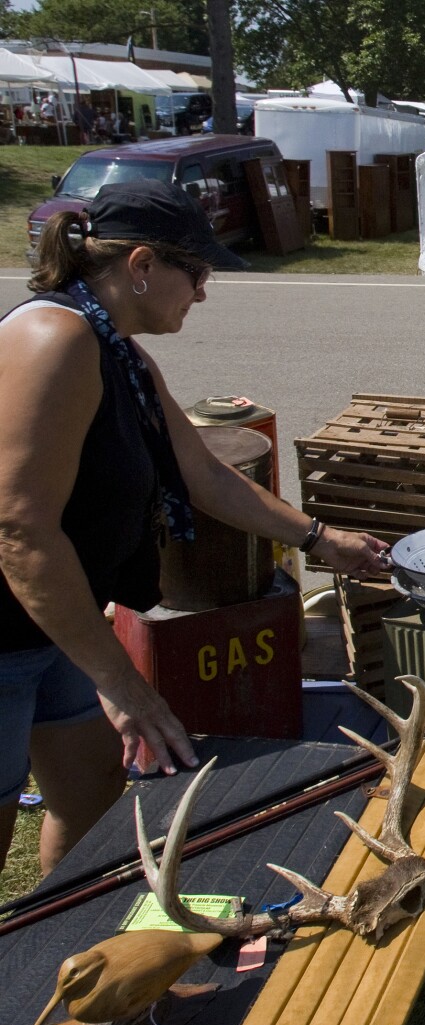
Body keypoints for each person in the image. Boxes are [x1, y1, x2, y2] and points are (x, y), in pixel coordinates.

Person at [0, 180, 388, 879]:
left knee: (90, 796)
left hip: (53, 625)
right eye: (197, 273)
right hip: (10, 628)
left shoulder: (119, 353)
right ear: (142, 264)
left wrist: (320, 539)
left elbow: (203, 477)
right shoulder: (51, 339)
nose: (203, 292)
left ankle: (71, 962)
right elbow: (20, 535)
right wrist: (125, 684)